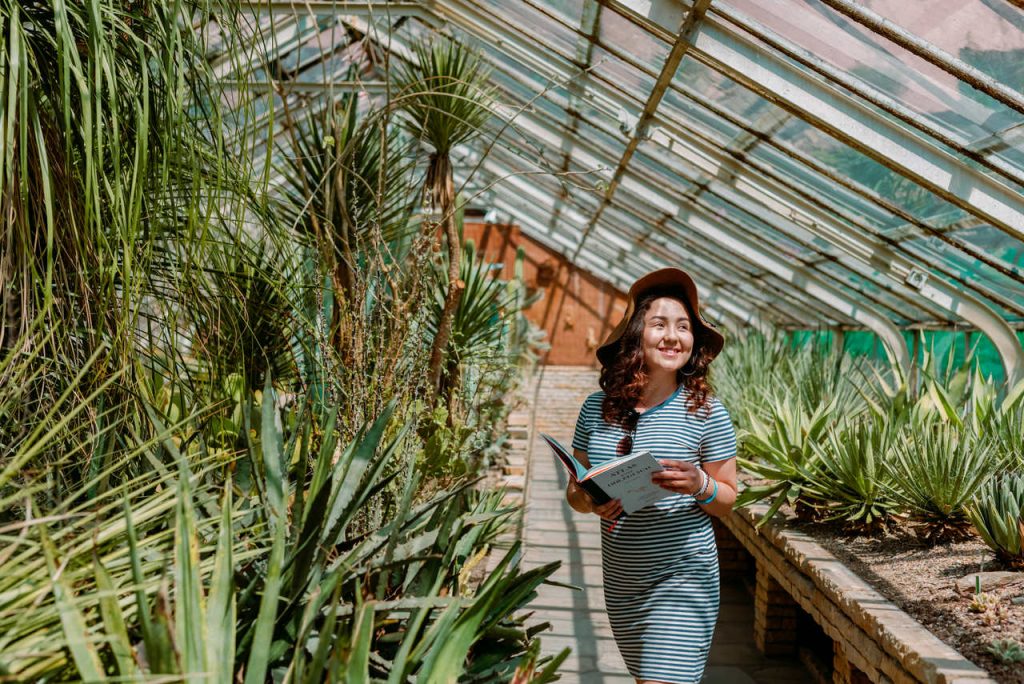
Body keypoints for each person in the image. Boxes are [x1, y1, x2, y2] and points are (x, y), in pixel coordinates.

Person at [566, 267, 738, 684]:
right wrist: (591, 501)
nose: (673, 336)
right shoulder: (595, 409)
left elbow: (729, 500)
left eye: (683, 327)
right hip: (623, 578)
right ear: (636, 336)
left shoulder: (707, 412)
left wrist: (700, 484)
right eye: (660, 325)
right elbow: (574, 492)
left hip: (684, 575)